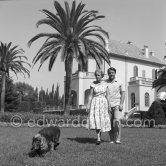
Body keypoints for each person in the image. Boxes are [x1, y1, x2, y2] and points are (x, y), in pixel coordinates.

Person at [86, 69, 111, 145]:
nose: (97, 76)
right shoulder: (93, 84)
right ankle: (98, 138)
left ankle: (99, 137)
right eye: (96, 75)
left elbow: (108, 96)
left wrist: (109, 105)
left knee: (101, 120)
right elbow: (90, 96)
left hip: (103, 103)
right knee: (96, 120)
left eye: (98, 75)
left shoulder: (106, 84)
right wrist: (88, 105)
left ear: (102, 76)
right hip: (95, 103)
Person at [106, 67, 125, 144]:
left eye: (112, 72)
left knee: (117, 121)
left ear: (115, 73)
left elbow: (123, 93)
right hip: (108, 105)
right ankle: (111, 139)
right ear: (108, 74)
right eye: (110, 72)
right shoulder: (105, 83)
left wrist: (121, 104)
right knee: (109, 123)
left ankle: (118, 139)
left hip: (117, 104)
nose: (111, 74)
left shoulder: (120, 82)